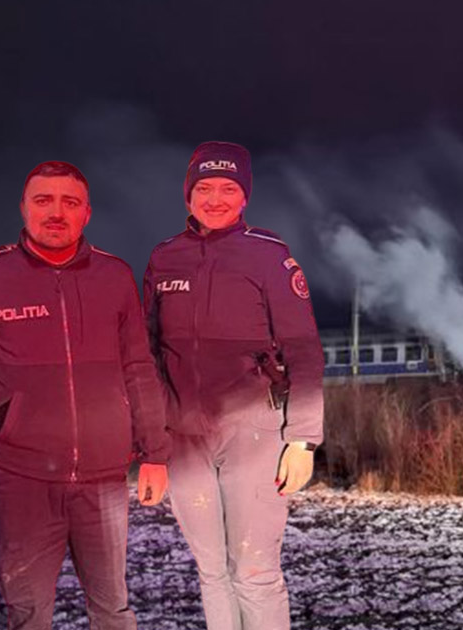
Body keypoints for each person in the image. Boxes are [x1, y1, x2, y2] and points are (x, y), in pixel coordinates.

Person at [0, 161, 171, 629]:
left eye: (70, 202)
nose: (56, 212)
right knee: (28, 614)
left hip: (104, 480)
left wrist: (156, 452)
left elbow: (139, 368)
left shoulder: (113, 277)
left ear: (86, 213)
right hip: (19, 480)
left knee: (113, 609)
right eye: (43, 200)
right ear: (24, 208)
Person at [145, 141, 323, 630]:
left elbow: (305, 350)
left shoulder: (269, 256)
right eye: (204, 188)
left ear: (244, 196)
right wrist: (151, 441)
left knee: (255, 572)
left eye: (228, 188)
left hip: (255, 436)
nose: (215, 198)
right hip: (184, 441)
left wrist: (303, 440)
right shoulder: (164, 259)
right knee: (212, 572)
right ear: (188, 196)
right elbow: (146, 353)